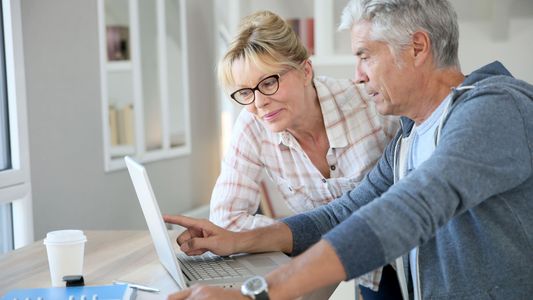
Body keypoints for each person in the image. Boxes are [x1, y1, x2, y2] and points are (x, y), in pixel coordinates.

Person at [166, 0, 533, 299]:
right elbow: (341, 214)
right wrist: (238, 240)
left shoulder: (494, 106)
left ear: (417, 48)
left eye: (365, 56)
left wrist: (257, 295)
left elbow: (411, 208)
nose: (357, 75)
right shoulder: (408, 139)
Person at [209, 10, 398, 295]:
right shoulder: (252, 126)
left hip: (397, 257)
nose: (259, 103)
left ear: (305, 70)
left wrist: (282, 236)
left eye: (269, 82)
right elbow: (226, 219)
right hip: (326, 258)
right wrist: (294, 234)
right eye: (245, 92)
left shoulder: (370, 105)